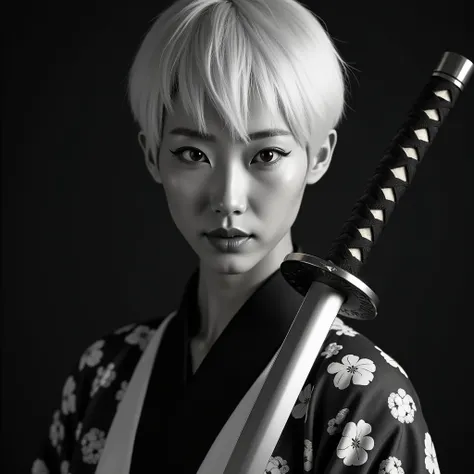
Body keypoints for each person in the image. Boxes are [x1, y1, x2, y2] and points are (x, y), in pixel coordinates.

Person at [32, 0, 441, 473]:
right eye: (192, 153)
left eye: (265, 155)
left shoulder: (364, 397)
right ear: (151, 155)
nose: (228, 198)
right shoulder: (104, 373)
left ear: (318, 156)